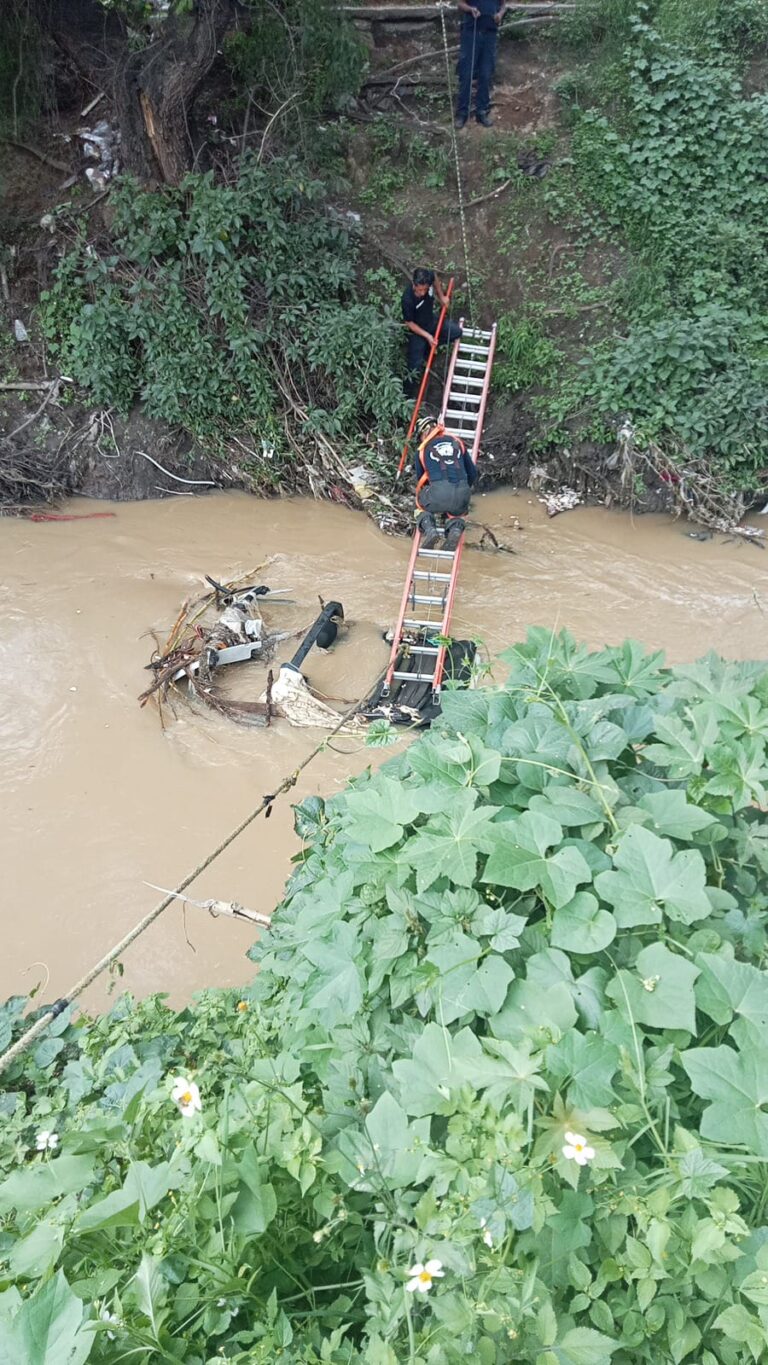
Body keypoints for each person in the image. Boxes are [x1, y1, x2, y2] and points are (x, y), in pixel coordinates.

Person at [414, 416, 477, 551]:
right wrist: (463, 492)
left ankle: (430, 530)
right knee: (457, 513)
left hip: (439, 493)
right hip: (463, 492)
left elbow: (421, 480)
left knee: (420, 502)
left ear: (423, 434)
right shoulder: (457, 441)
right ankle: (455, 529)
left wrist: (437, 498)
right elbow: (472, 473)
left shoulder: (422, 450)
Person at [402, 267, 462, 398]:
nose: (423, 292)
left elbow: (434, 277)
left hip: (432, 321)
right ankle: (406, 397)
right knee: (414, 366)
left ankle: (429, 348)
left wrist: (442, 297)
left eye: (425, 289)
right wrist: (428, 336)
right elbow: (409, 323)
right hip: (418, 331)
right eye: (420, 290)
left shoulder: (428, 278)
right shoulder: (407, 299)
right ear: (414, 285)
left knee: (456, 332)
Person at [455, 0, 508, 129]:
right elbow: (460, 3)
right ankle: (462, 113)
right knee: (466, 73)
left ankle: (482, 111)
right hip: (471, 32)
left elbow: (503, 5)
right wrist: (470, 9)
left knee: (486, 73)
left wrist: (500, 15)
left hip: (490, 34)